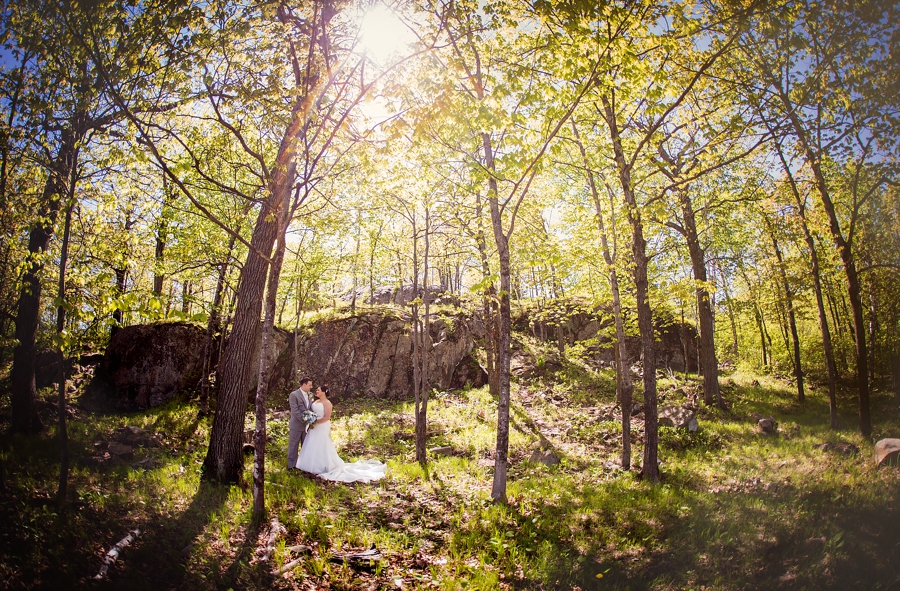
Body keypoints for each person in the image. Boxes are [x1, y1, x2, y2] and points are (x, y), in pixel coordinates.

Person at [296, 385, 387, 483]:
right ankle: (308, 464)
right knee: (312, 442)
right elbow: (312, 412)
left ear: (324, 392)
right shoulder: (316, 401)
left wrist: (315, 421)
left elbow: (327, 417)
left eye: (318, 390)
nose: (316, 391)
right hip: (314, 427)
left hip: (322, 426)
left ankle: (323, 465)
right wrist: (310, 419)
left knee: (322, 443)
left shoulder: (327, 403)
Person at [287, 376, 314, 471]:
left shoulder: (310, 395)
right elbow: (295, 411)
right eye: (310, 385)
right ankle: (291, 466)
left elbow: (310, 408)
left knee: (305, 446)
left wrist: (312, 419)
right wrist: (305, 420)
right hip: (296, 425)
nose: (311, 387)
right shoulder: (294, 395)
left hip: (307, 426)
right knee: (293, 446)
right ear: (304, 385)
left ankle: (303, 465)